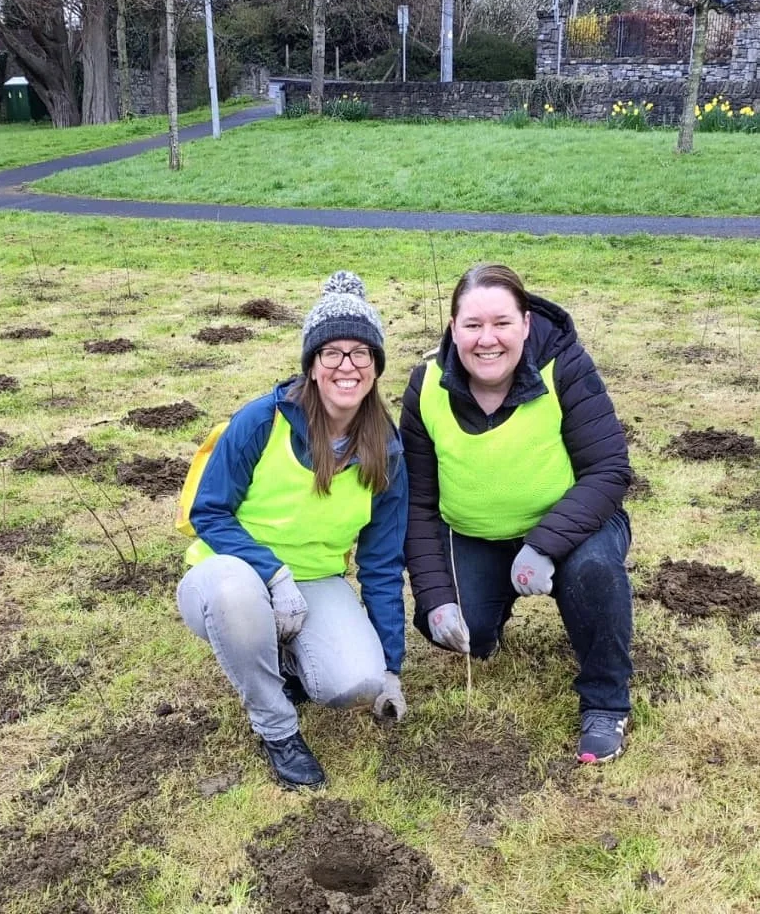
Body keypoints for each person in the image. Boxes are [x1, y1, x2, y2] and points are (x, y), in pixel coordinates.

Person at [177, 271, 408, 791]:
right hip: (227, 574)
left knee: (357, 681)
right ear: (311, 362)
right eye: (332, 353)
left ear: (376, 365)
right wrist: (273, 575)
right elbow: (209, 512)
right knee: (239, 597)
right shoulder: (262, 420)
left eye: (361, 353)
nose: (346, 366)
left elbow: (381, 562)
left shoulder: (387, 449)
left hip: (317, 581)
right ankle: (277, 727)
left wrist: (391, 666)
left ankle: (287, 656)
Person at [401, 263, 633, 763]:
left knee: (592, 575)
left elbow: (609, 469)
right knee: (462, 630)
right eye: (473, 325)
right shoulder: (425, 386)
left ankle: (605, 700)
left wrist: (544, 545)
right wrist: (437, 598)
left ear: (526, 324)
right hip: (475, 533)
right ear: (453, 328)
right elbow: (418, 504)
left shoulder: (564, 366)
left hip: (573, 531)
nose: (488, 339)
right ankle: (491, 616)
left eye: (502, 323)